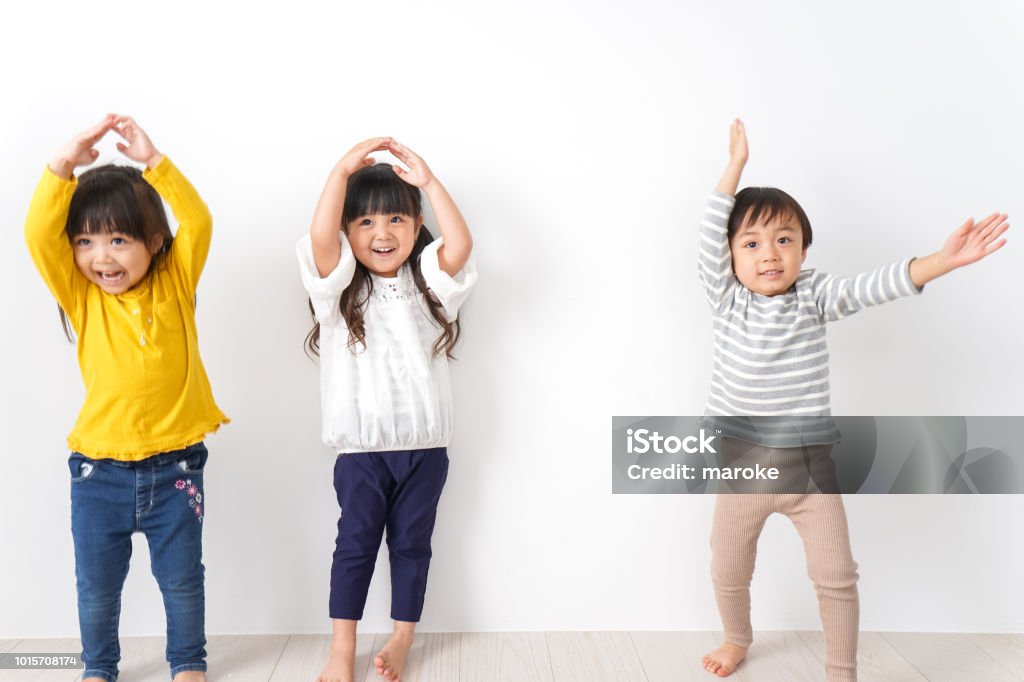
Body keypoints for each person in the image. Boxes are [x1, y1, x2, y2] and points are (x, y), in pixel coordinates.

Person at [697, 119, 1008, 680]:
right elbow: (708, 233)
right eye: (751, 243)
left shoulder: (815, 294)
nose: (770, 253)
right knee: (728, 566)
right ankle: (736, 637)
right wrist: (734, 168)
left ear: (804, 249)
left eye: (784, 239)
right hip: (741, 467)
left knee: (837, 573)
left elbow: (877, 284)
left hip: (811, 471)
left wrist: (942, 260)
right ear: (730, 258)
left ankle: (841, 667)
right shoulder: (726, 299)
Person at [24, 114, 228, 682]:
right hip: (99, 475)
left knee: (183, 577)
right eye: (85, 241)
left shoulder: (176, 282)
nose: (101, 257)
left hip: (176, 467)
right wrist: (63, 165)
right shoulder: (82, 298)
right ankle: (99, 667)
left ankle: (188, 662)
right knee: (97, 584)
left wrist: (155, 164)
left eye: (118, 238)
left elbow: (199, 220)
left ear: (153, 241)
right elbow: (39, 235)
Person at [297, 137, 477, 682]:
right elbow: (319, 238)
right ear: (349, 234)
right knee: (354, 546)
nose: (382, 233)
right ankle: (340, 650)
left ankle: (401, 639)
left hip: (425, 450)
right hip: (362, 452)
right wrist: (340, 172)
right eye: (366, 223)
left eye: (396, 218)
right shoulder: (338, 292)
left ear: (416, 222)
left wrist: (430, 182)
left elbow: (460, 247)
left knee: (412, 548)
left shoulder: (430, 287)